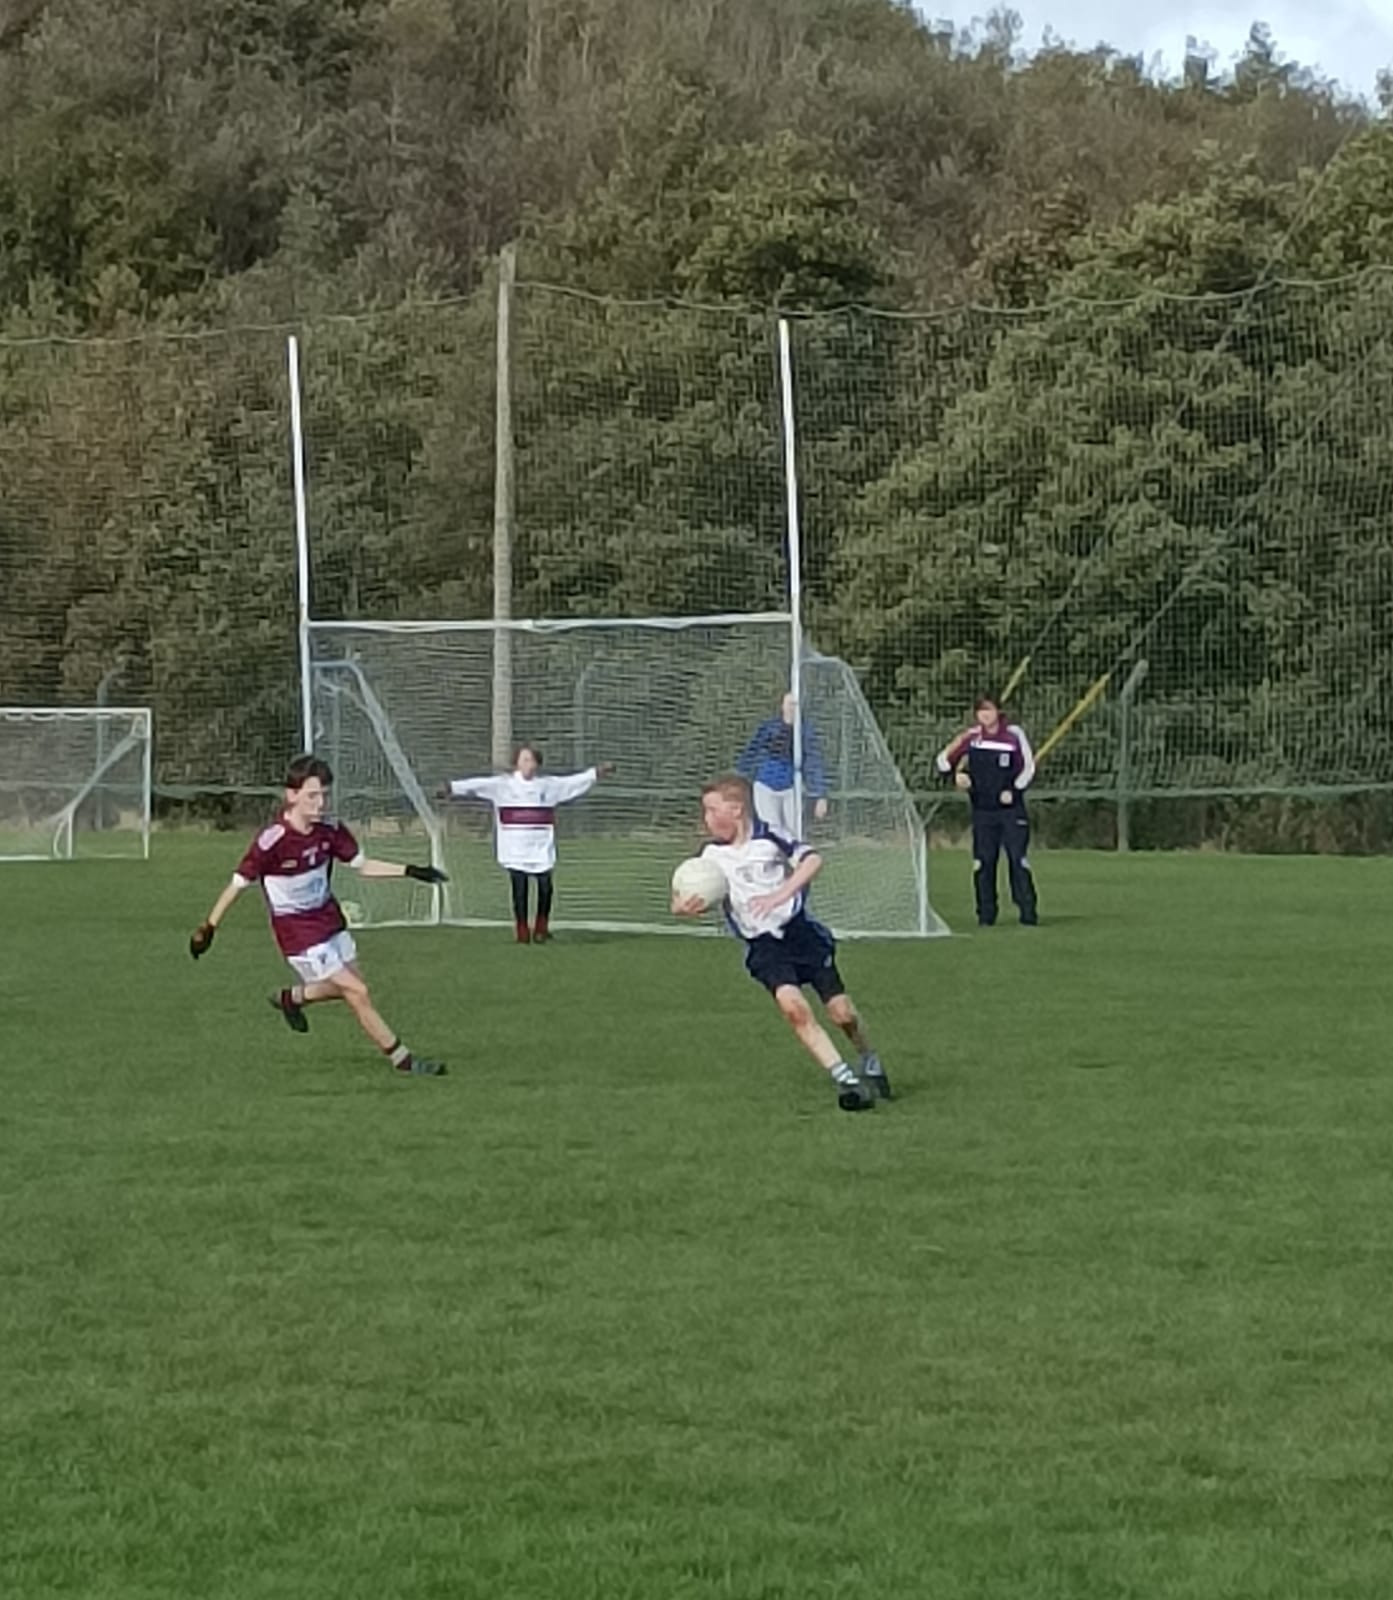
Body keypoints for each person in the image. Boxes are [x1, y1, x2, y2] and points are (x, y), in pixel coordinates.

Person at [189, 754, 448, 1076]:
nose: (321, 802)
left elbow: (362, 866)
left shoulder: (329, 830)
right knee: (358, 992)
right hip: (298, 935)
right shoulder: (273, 841)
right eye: (312, 795)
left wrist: (412, 871)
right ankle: (403, 1059)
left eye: (324, 794)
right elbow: (237, 884)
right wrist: (209, 927)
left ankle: (292, 998)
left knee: (349, 987)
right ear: (292, 795)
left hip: (329, 921)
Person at [672, 774, 889, 1112]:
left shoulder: (769, 836)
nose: (707, 819)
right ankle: (846, 1081)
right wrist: (683, 907)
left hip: (801, 935)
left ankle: (869, 1060)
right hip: (764, 946)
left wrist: (781, 894)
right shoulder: (709, 857)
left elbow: (813, 859)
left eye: (712, 810)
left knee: (842, 1014)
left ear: (736, 809)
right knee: (794, 1010)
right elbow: (679, 896)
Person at [439, 744, 612, 943]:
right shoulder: (504, 785)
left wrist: (596, 773)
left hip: (541, 848)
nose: (528, 764)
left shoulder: (548, 785)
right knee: (520, 890)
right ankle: (522, 930)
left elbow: (572, 783)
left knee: (546, 888)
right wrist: (451, 787)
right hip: (515, 849)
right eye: (524, 760)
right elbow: (478, 785)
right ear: (517, 763)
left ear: (537, 763)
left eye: (532, 760)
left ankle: (541, 929)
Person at [936, 696, 1038, 927]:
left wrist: (1014, 790)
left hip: (1011, 811)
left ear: (998, 712)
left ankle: (1027, 912)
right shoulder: (972, 737)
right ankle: (986, 915)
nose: (985, 715)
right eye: (981, 710)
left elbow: (1028, 768)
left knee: (1017, 859)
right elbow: (943, 762)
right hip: (982, 811)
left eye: (989, 710)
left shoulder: (1013, 735)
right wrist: (957, 776)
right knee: (983, 862)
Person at [736, 693, 828, 837]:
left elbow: (813, 761)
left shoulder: (805, 731)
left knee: (794, 831)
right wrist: (739, 781)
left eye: (795, 704)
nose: (792, 708)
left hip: (792, 787)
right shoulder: (769, 728)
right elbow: (751, 753)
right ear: (782, 706)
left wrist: (820, 795)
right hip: (765, 785)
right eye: (789, 704)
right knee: (771, 830)